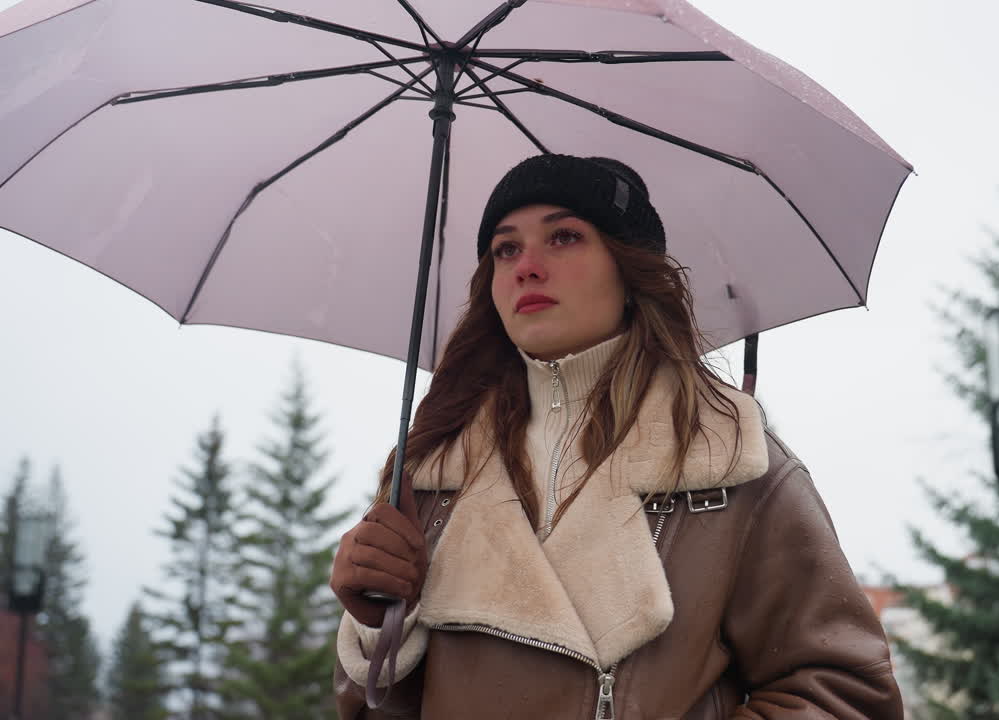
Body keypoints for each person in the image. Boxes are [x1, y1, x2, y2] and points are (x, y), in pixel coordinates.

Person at [329, 154, 903, 719]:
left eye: (564, 237)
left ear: (630, 271)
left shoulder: (730, 461)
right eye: (506, 248)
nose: (526, 265)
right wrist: (379, 622)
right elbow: (376, 707)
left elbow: (844, 693)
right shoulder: (433, 466)